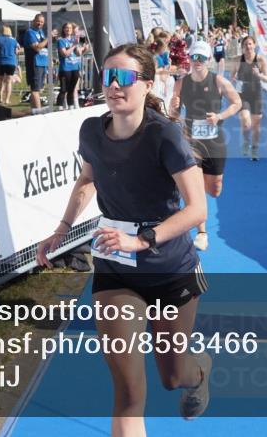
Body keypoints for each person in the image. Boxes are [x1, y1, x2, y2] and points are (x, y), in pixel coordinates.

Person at [35, 44, 211, 431]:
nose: (115, 85)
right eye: (108, 76)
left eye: (125, 77)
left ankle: (197, 373)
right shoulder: (91, 131)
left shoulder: (164, 136)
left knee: (172, 376)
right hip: (116, 270)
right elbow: (87, 179)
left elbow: (197, 209)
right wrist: (61, 230)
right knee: (129, 393)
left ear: (146, 84)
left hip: (170, 271)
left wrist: (143, 239)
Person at [170, 40, 242, 252]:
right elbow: (173, 114)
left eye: (202, 58)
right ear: (190, 59)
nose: (198, 61)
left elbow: (237, 102)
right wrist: (174, 108)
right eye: (194, 57)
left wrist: (220, 116)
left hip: (215, 142)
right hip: (191, 142)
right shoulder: (181, 83)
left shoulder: (219, 81)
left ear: (209, 60)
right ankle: (202, 233)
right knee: (196, 188)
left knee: (215, 189)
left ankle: (209, 187)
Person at [231, 35, 267, 161]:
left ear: (254, 45)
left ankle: (254, 149)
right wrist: (233, 79)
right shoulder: (238, 60)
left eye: (250, 44)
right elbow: (232, 75)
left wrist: (259, 75)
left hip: (256, 94)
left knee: (256, 126)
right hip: (242, 94)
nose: (248, 47)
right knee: (245, 121)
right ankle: (246, 141)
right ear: (242, 47)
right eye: (245, 45)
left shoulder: (260, 60)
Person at [21, 14, 50, 115]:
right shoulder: (30, 32)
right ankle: (39, 112)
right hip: (34, 63)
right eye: (38, 21)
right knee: (35, 89)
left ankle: (34, 112)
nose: (40, 24)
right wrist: (48, 38)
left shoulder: (41, 32)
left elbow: (44, 47)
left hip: (42, 63)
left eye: (42, 22)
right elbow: (37, 47)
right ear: (33, 21)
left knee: (38, 89)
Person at [56, 22, 85, 110]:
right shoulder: (61, 40)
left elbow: (78, 53)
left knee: (72, 90)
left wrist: (82, 46)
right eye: (66, 28)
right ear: (63, 30)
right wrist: (74, 45)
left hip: (75, 68)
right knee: (64, 89)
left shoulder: (73, 40)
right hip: (65, 69)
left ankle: (71, 107)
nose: (68, 29)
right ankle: (60, 108)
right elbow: (65, 54)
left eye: (70, 28)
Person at [0, 26, 20, 105]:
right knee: (8, 82)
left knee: (0, 81)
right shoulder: (14, 40)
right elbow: (17, 51)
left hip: (0, 62)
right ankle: (7, 99)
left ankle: (0, 98)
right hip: (11, 63)